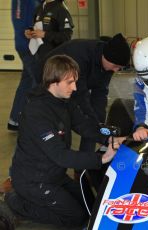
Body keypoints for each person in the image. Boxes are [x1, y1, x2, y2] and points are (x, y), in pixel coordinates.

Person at [4, 55, 124, 228]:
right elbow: (61, 156)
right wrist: (101, 159)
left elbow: (84, 125)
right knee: (75, 218)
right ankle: (15, 203)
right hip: (33, 181)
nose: (75, 87)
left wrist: (109, 138)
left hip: (54, 175)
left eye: (75, 81)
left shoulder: (64, 101)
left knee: (91, 207)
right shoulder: (36, 113)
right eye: (69, 82)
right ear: (54, 82)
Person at [37, 33, 130, 179]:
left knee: (93, 121)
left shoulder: (108, 65)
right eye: (116, 66)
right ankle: (25, 173)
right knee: (58, 123)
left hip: (74, 85)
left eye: (120, 67)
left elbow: (100, 94)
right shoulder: (80, 56)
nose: (116, 70)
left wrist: (99, 125)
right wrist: (94, 124)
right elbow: (80, 96)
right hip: (47, 79)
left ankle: (81, 169)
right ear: (106, 57)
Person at [7, 0, 40, 132]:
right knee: (38, 82)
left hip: (29, 45)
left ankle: (15, 119)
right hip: (28, 46)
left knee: (26, 82)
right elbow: (20, 21)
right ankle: (31, 122)